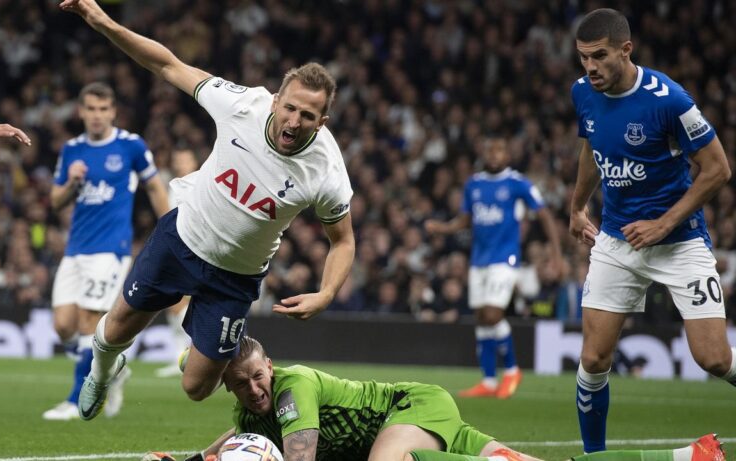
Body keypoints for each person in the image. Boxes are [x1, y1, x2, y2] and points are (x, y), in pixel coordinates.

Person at [59, 0, 355, 420]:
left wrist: (326, 294)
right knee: (114, 331)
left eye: (307, 115)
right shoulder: (242, 105)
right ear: (275, 101)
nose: (293, 121)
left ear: (322, 121)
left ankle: (198, 353)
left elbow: (343, 241)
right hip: (182, 239)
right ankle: (102, 373)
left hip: (235, 278)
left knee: (196, 388)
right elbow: (167, 65)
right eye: (289, 108)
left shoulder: (326, 170)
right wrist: (103, 21)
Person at [568, 8, 736, 453]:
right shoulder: (583, 92)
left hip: (679, 241)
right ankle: (594, 457)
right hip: (617, 241)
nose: (590, 67)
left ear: (626, 49)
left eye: (599, 56)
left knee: (714, 358)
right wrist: (577, 206)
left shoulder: (670, 100)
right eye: (583, 57)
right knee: (593, 358)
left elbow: (718, 169)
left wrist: (664, 223)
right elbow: (591, 147)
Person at [150, 336, 726, 461]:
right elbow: (239, 440)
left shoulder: (293, 384)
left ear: (269, 366)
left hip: (411, 408)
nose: (254, 389)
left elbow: (298, 454)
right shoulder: (249, 409)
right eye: (241, 384)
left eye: (257, 376)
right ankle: (689, 456)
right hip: (414, 422)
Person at [43, 82, 170, 420]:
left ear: (113, 111)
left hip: (110, 249)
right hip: (75, 248)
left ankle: (76, 399)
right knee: (63, 325)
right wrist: (71, 182)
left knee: (89, 320)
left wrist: (171, 230)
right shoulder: (72, 149)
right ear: (81, 112)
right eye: (91, 109)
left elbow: (154, 186)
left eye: (103, 109)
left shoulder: (130, 145)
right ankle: (110, 369)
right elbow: (55, 201)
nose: (97, 115)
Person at [425, 136, 563, 399]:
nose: (494, 155)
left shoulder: (518, 183)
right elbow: (465, 220)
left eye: (499, 150)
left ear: (507, 155)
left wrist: (556, 255)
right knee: (481, 317)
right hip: (479, 259)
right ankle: (488, 381)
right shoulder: (473, 184)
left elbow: (544, 215)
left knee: (492, 313)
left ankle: (512, 370)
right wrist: (442, 228)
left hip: (505, 258)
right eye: (490, 150)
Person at [155, 148, 197, 378]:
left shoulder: (199, 185)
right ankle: (179, 358)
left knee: (182, 305)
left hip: (192, 252)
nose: (181, 164)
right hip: (172, 251)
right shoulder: (173, 188)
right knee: (173, 306)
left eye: (185, 160)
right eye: (177, 160)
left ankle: (197, 354)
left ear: (194, 162)